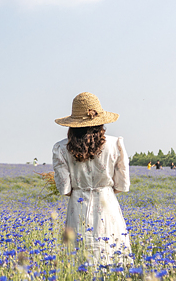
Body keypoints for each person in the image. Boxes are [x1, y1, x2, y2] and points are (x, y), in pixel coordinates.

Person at [52, 92, 132, 267]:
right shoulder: (115, 144)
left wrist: (82, 189)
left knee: (78, 255)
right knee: (112, 251)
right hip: (107, 203)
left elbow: (64, 188)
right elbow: (122, 184)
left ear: (72, 124)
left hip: (78, 206)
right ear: (100, 121)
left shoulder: (60, 148)